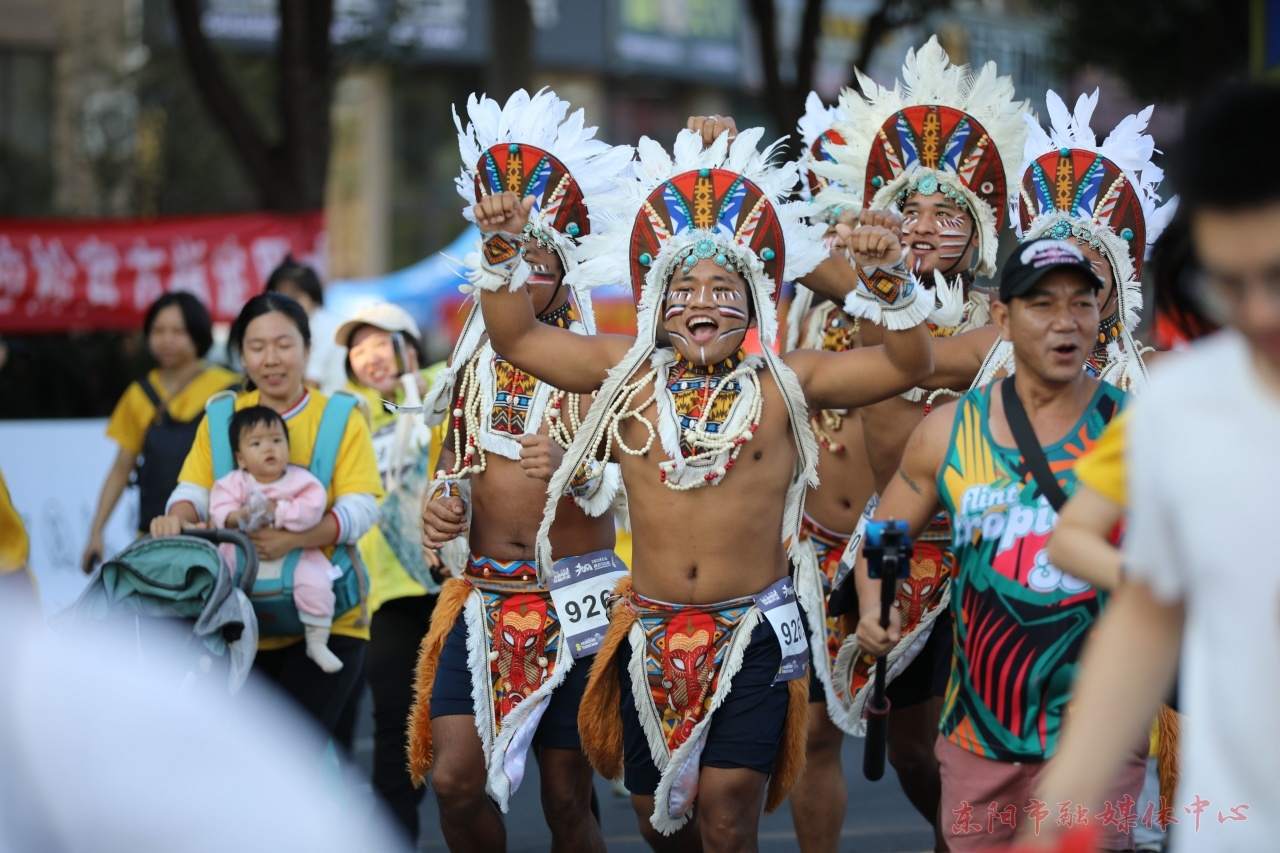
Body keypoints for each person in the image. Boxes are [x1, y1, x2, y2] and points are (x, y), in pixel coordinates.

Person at [476, 121, 933, 850]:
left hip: (753, 630)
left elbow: (909, 364)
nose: (703, 301)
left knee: (726, 811)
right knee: (659, 822)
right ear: (656, 299)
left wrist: (887, 280)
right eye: (683, 285)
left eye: (724, 287)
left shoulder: (785, 383)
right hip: (649, 632)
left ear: (755, 302)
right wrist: (502, 246)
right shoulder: (627, 375)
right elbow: (518, 337)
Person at [1029, 81, 1280, 851]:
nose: (1259, 312)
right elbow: (1148, 614)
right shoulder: (1178, 406)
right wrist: (1061, 807)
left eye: (1278, 277)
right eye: (1229, 284)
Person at [805, 37, 1031, 842]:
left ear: (981, 230)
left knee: (949, 747)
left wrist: (878, 286)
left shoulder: (1007, 322)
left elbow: (927, 354)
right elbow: (771, 244)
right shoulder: (863, 291)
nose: (926, 228)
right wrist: (722, 159)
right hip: (889, 540)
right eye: (911, 211)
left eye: (948, 214)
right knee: (867, 742)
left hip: (978, 551)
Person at [853, 237, 1144, 851]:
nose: (1066, 322)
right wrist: (878, 604)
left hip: (1097, 732)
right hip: (978, 732)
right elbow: (887, 531)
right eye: (1043, 304)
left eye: (1082, 303)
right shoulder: (949, 432)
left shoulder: (1137, 429)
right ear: (1003, 318)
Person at [407, 89, 633, 853]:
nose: (524, 274)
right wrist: (441, 502)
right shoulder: (471, 358)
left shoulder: (598, 361)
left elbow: (640, 468)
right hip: (484, 595)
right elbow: (453, 460)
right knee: (453, 781)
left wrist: (582, 465)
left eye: (540, 259)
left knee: (568, 798)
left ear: (567, 269)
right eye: (511, 256)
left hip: (576, 596)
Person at [149, 292, 381, 734]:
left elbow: (363, 508)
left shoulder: (340, 416)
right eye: (257, 347)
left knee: (298, 751)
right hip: (236, 622)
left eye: (284, 344)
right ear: (241, 355)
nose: (271, 359)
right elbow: (193, 492)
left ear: (307, 349)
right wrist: (175, 516)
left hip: (330, 621)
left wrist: (295, 539)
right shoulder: (221, 417)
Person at [782, 92, 881, 852]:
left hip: (907, 545)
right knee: (814, 733)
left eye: (850, 213)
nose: (837, 229)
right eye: (824, 214)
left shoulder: (921, 304)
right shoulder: (793, 311)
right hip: (813, 547)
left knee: (921, 747)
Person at [334, 301, 446, 843]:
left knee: (479, 731)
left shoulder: (442, 385)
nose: (370, 356)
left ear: (410, 347)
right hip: (386, 597)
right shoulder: (347, 413)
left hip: (459, 585)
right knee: (396, 728)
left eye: (382, 342)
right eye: (359, 349)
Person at [83, 293, 238, 569]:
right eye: (158, 331)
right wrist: (96, 532)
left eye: (178, 331)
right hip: (155, 536)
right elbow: (120, 469)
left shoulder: (230, 390)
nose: (167, 340)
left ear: (198, 333)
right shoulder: (139, 395)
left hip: (215, 537)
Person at [211, 405, 343, 673]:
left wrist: (279, 512)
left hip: (293, 554)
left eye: (276, 440)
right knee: (219, 582)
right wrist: (237, 516)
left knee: (317, 583)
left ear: (288, 448)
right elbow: (218, 509)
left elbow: (312, 509)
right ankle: (225, 637)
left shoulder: (300, 481)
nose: (268, 448)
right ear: (241, 458)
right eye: (256, 443)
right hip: (243, 555)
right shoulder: (235, 482)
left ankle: (317, 640)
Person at [265, 256, 347, 394]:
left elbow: (311, 382)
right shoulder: (285, 327)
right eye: (280, 298)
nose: (287, 305)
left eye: (295, 297)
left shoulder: (324, 325)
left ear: (313, 298)